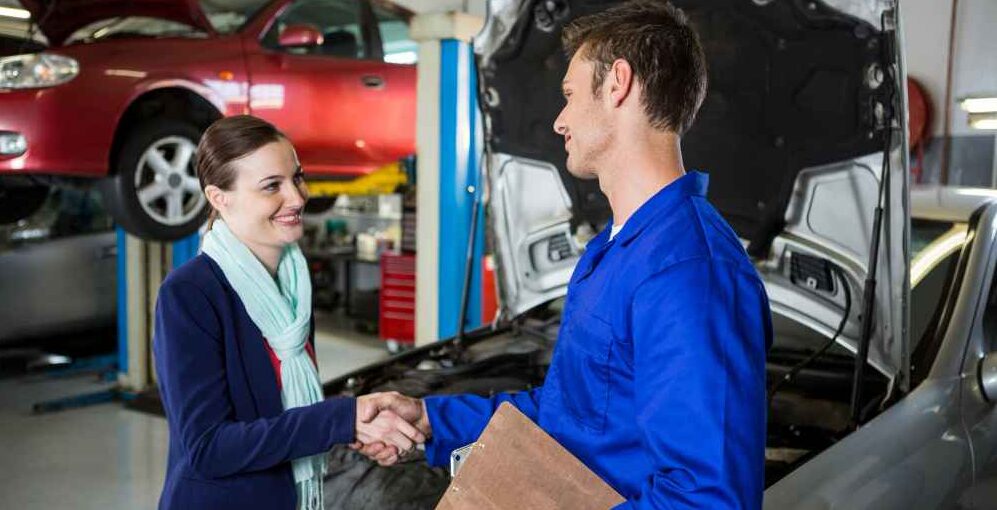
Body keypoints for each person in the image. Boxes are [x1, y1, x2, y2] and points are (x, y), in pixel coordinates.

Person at [355, 1, 772, 508]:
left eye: (570, 95)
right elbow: (565, 416)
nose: (559, 121)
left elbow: (707, 501)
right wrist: (433, 419)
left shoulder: (688, 273)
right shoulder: (614, 248)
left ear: (618, 83)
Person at [153, 115, 424, 510]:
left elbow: (278, 409)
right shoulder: (189, 294)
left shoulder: (292, 283)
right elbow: (208, 448)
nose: (297, 198)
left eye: (297, 178)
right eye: (271, 187)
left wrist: (357, 429)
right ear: (218, 198)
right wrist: (339, 419)